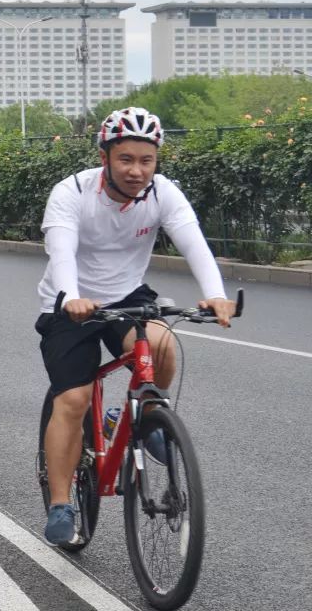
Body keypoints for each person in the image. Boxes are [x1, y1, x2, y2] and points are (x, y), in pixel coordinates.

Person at [35, 106, 238, 547]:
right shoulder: (71, 192)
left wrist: (216, 293)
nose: (136, 170)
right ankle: (60, 503)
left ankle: (142, 419)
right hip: (69, 303)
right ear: (105, 156)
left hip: (127, 296)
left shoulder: (163, 192)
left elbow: (193, 241)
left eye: (146, 160)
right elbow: (62, 252)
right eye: (126, 159)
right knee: (72, 398)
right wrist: (71, 298)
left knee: (163, 345)